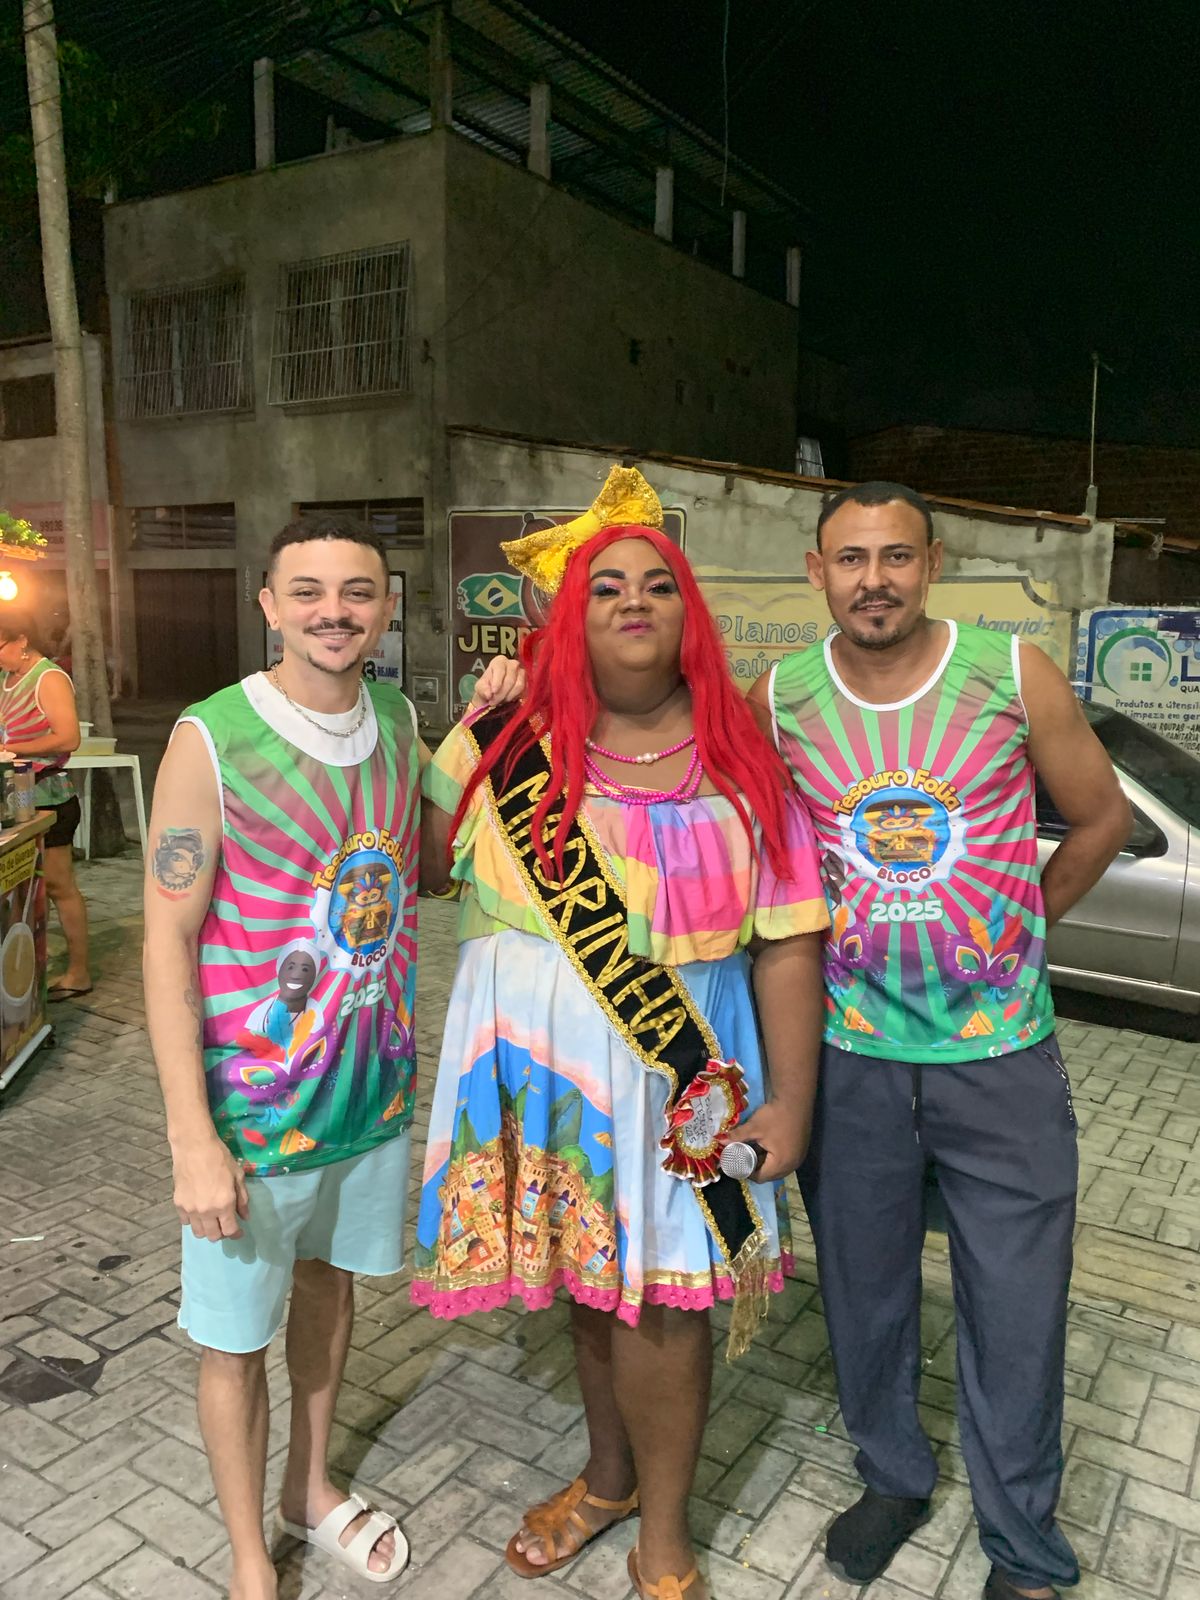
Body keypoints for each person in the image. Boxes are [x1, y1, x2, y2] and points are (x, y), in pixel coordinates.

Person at [413, 467, 829, 1600]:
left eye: (657, 583)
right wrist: (475, 720)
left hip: (675, 1077)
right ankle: (606, 1480)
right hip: (540, 1069)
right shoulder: (510, 741)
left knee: (665, 1304)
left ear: (690, 611)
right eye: (605, 587)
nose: (634, 600)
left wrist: (791, 1103)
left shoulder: (742, 761)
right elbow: (422, 861)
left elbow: (789, 942)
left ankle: (666, 1533)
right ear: (569, 616)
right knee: (589, 1281)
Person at [749, 482, 1131, 1600]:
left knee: (1016, 1309)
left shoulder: (1010, 673)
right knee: (863, 1293)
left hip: (1001, 1059)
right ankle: (893, 1476)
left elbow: (1101, 815)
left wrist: (1022, 924)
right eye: (851, 558)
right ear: (817, 571)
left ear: (933, 561)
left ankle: (1023, 1546)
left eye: (897, 556)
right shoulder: (782, 699)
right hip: (851, 1058)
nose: (875, 580)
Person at [143, 513, 521, 1600]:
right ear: (269, 605)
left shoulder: (397, 719)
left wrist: (487, 727)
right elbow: (166, 939)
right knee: (233, 1341)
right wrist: (191, 1138)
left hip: (366, 1099)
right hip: (251, 1122)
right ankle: (250, 1562)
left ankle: (308, 1489)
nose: (333, 612)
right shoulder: (213, 738)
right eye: (306, 592)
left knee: (330, 1290)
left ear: (388, 606)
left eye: (357, 592)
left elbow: (431, 861)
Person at [0, 608, 89, 998]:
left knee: (57, 885)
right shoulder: (6, 678)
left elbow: (68, 738)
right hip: (14, 795)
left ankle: (79, 972)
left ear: (22, 640)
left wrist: (12, 748)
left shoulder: (48, 677)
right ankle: (31, 966)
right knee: (24, 886)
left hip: (49, 795)